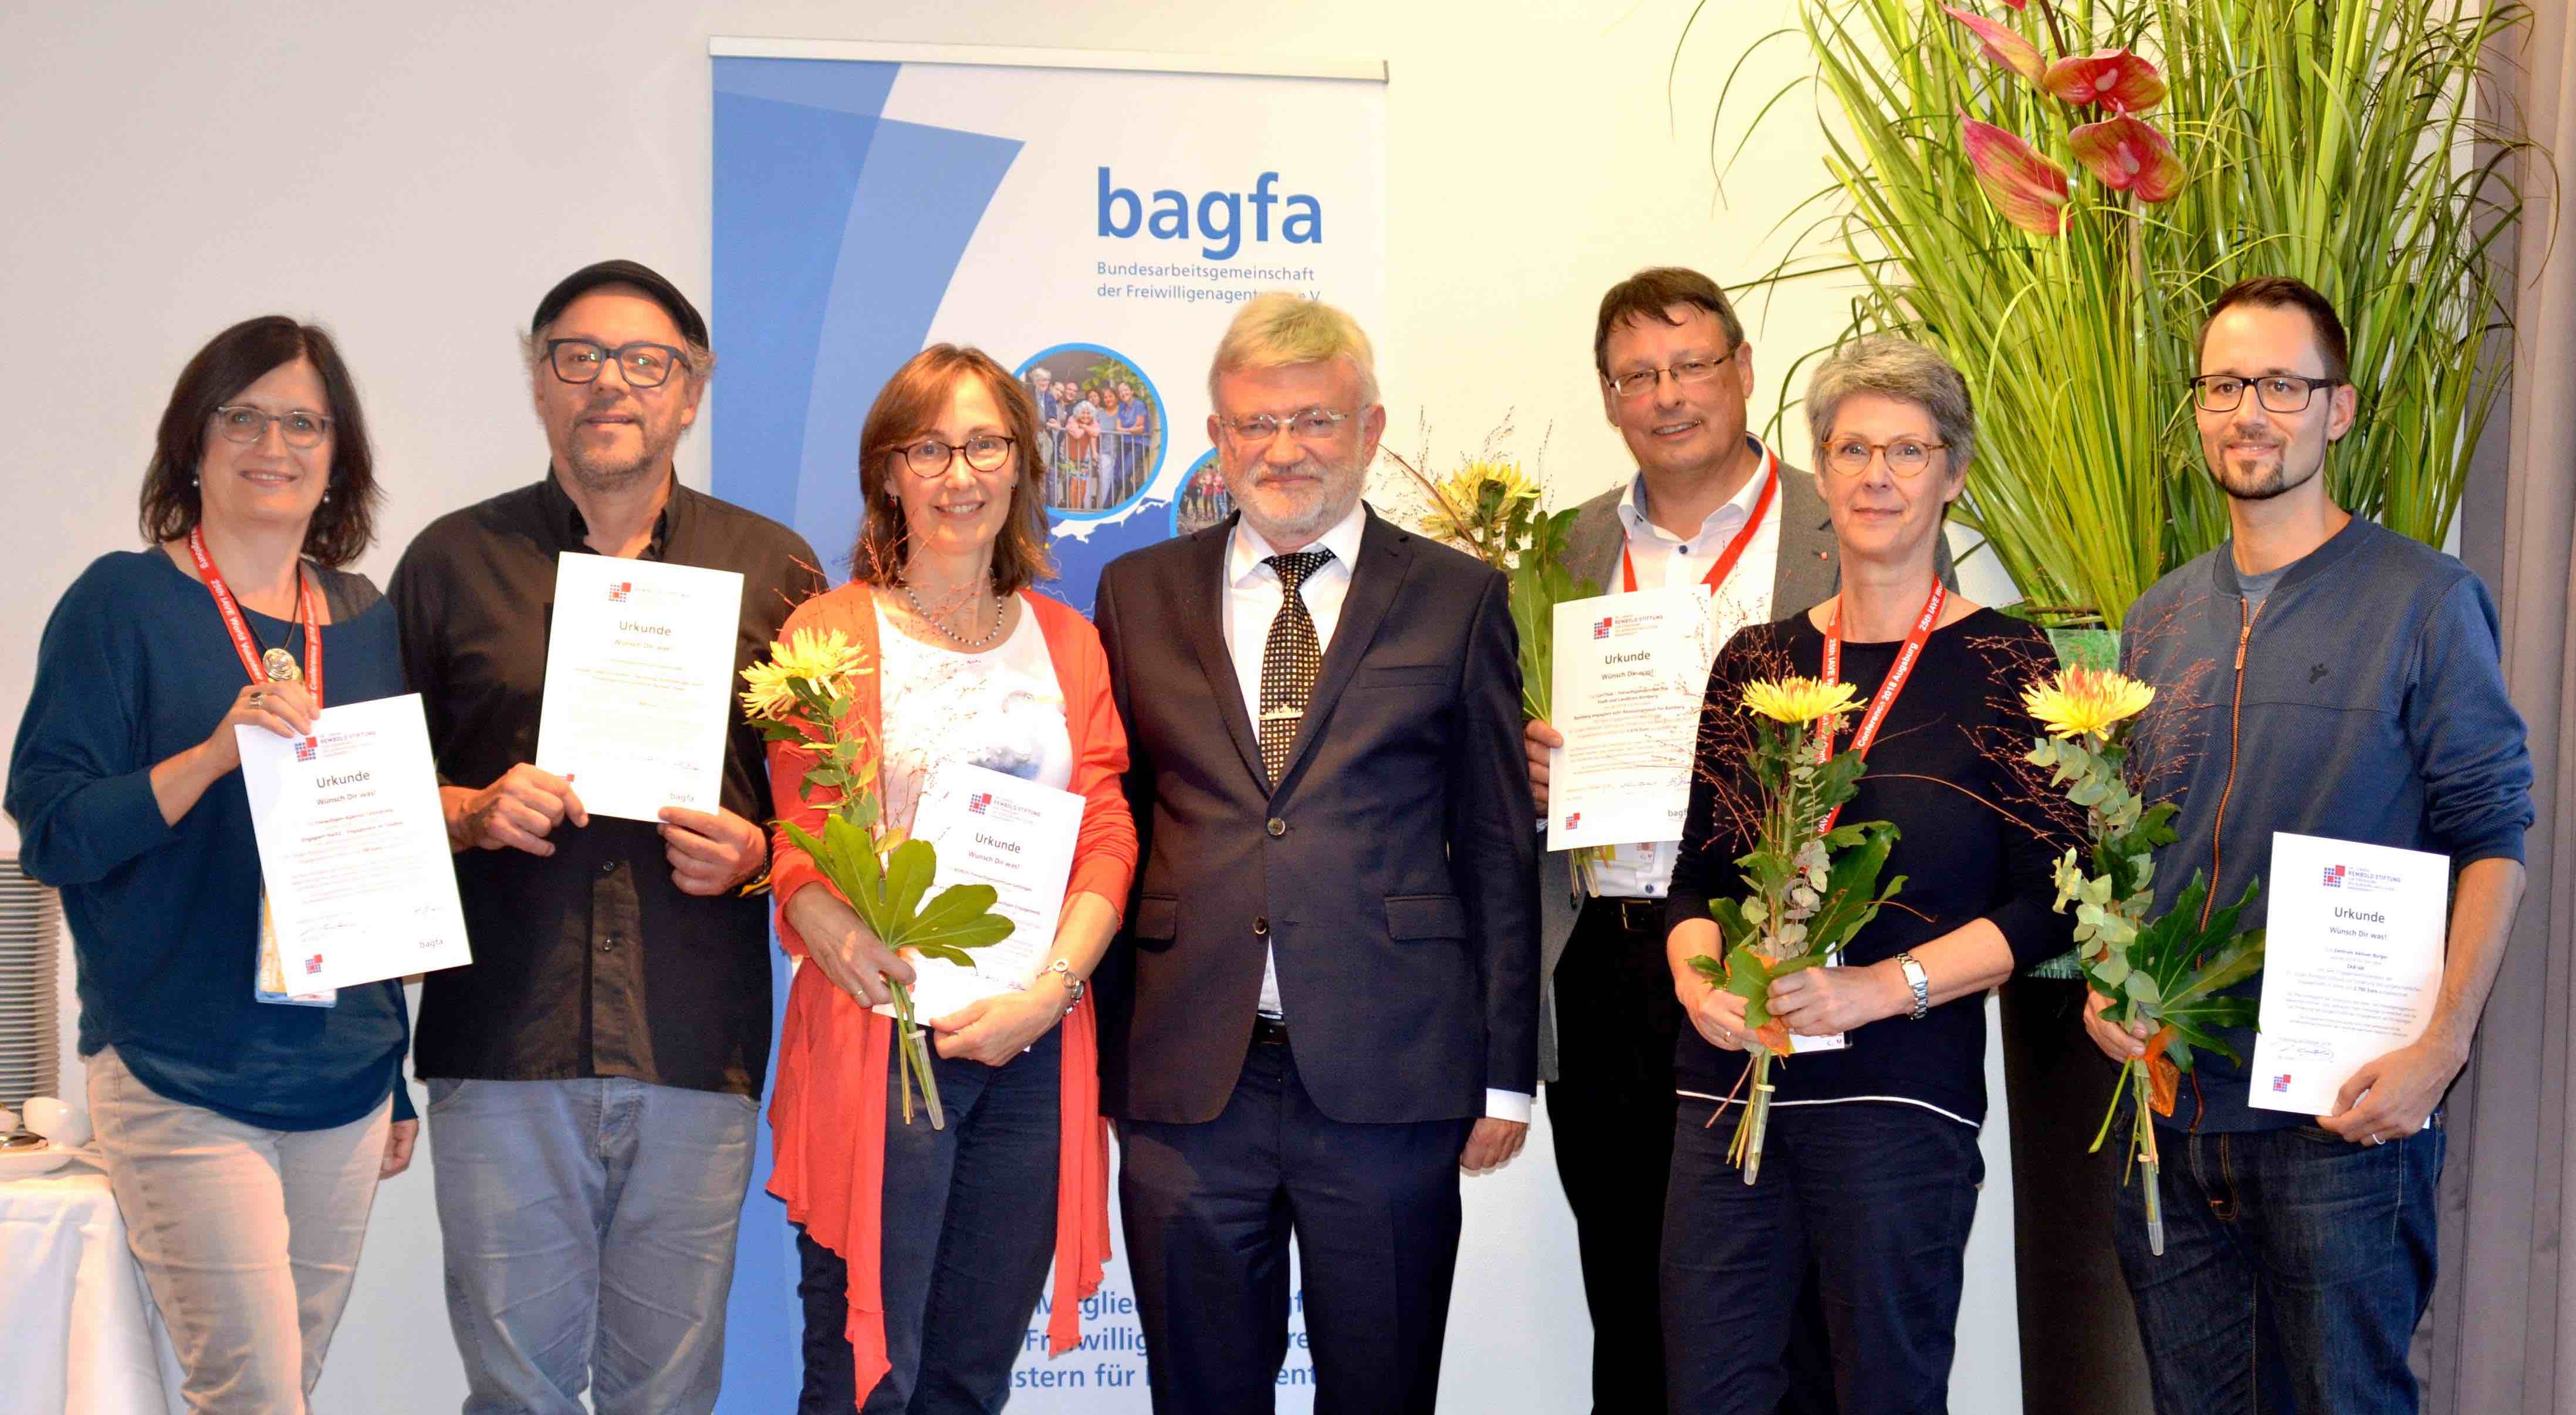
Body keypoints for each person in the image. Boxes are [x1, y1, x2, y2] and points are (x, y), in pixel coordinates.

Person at [388, 259, 825, 1415]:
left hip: (696, 1046)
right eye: (576, 358)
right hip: (500, 1048)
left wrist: (754, 855)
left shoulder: (776, 573)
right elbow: (374, 801)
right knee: (514, 1397)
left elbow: (831, 822)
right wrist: (475, 812)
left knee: (669, 1397)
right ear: (539, 384)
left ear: (692, 391)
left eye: (645, 363)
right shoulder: (447, 563)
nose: (608, 386)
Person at [2091, 276, 2533, 1414]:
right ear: (2195, 408)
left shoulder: (2423, 601)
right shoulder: (2156, 619)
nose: (2250, 411)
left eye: (2280, 385)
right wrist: (2107, 983)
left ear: (2335, 410)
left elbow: (2490, 833)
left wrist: (2439, 1044)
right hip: (2172, 1114)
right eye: (2224, 385)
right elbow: (2135, 844)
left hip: (2342, 1118)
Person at [1091, 293, 1539, 1413]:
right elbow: (1115, 823)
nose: (1281, 450)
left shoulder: (1457, 597)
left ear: (1371, 428)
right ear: (1216, 438)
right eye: (1253, 425)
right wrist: (1103, 1065)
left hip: (1393, 1075)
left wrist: (1505, 1070)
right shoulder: (1135, 594)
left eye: (1314, 421)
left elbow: (1494, 844)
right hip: (1189, 1078)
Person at [9, 315, 416, 1413]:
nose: (271, 444)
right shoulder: (123, 603)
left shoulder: (364, 618)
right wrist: (210, 757)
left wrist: (399, 1072)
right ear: (195, 441)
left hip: (343, 1069)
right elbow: (52, 828)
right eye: (242, 417)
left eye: (303, 422)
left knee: (285, 1384)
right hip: (181, 1066)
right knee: (251, 1391)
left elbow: (374, 851)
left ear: (338, 456)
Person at [1660, 336, 2073, 1414]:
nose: (1876, 476)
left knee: (1882, 1391)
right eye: (1851, 449)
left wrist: (1879, 991)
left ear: (1953, 475)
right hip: (1730, 1086)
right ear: (1819, 469)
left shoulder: (2006, 662)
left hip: (1898, 1095)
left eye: (1906, 449)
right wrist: (1698, 980)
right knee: (1713, 1389)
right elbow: (1700, 873)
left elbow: (2045, 908)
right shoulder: (1756, 661)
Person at [762, 344, 1138, 1412]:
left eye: (983, 444)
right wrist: (834, 932)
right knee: (867, 1376)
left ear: (1021, 464)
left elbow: (1104, 828)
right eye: (928, 448)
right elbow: (799, 840)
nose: (958, 474)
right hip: (880, 1043)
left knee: (971, 1382)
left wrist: (1051, 990)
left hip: (1027, 1045)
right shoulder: (826, 636)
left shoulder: (1068, 642)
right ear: (888, 472)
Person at [1521, 266, 1860, 1415]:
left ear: (1744, 373)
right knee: (1630, 1302)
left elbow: (1914, 719)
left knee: (1793, 1308)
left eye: (1690, 366)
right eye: (1636, 376)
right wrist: (1519, 765)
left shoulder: (1842, 520)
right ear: (1609, 397)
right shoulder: (1557, 553)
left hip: (1778, 956)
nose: (1667, 396)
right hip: (1608, 961)